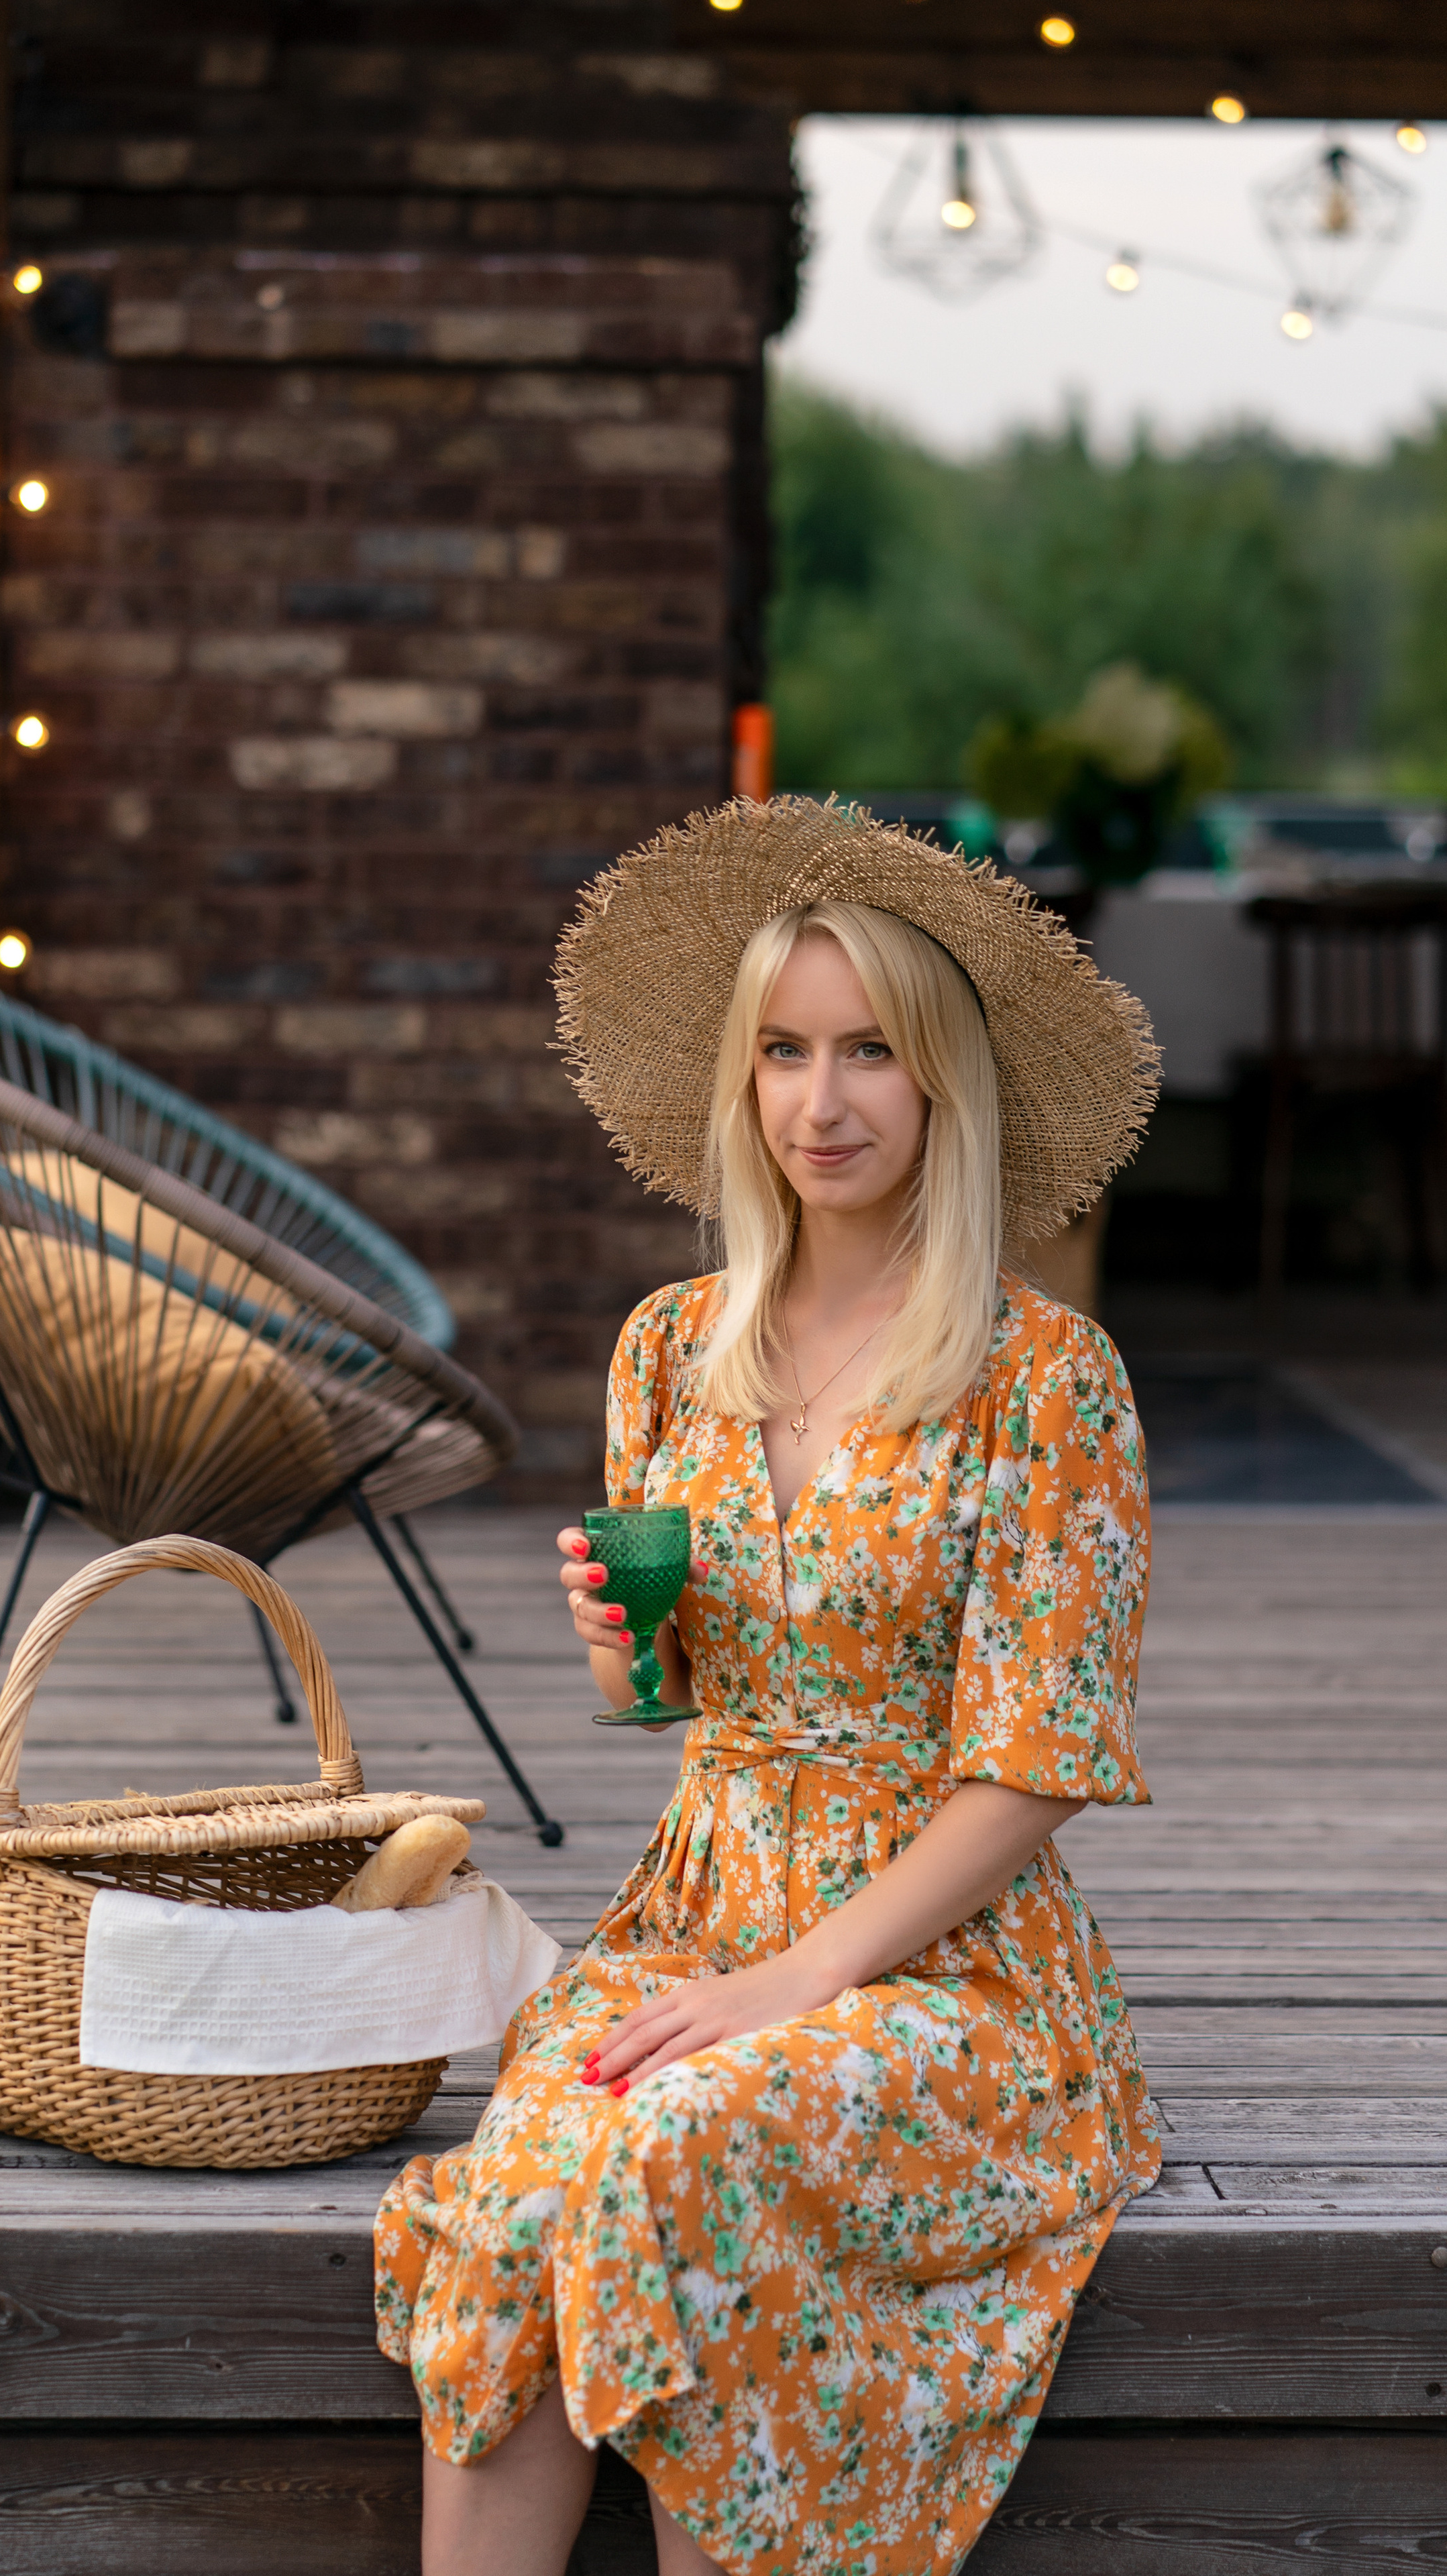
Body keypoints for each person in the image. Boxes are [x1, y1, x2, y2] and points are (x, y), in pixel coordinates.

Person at [376, 796, 1164, 2575]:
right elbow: (658, 1707)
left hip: (950, 1979)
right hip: (698, 1916)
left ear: (943, 1080)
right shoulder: (673, 1348)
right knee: (512, 2206)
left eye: (872, 1051)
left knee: (675, 2156)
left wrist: (799, 1982)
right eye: (787, 1053)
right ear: (742, 1086)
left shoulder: (1048, 1377)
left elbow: (1036, 1762)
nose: (825, 1102)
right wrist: (615, 1645)